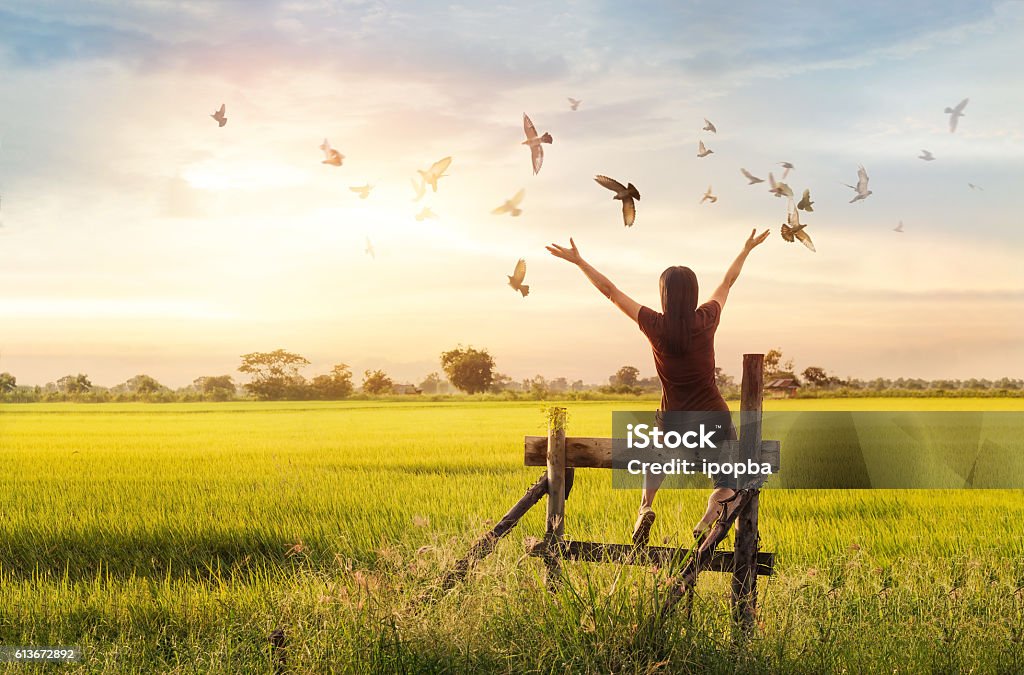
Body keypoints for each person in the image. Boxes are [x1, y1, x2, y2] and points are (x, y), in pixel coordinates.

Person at [546, 228, 770, 547]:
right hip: (713, 416)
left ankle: (646, 507)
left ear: (663, 294)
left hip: (673, 420)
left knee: (657, 455)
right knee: (729, 481)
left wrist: (580, 262)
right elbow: (727, 282)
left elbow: (610, 291)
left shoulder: (654, 324)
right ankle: (710, 513)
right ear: (693, 294)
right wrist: (746, 249)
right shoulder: (706, 318)